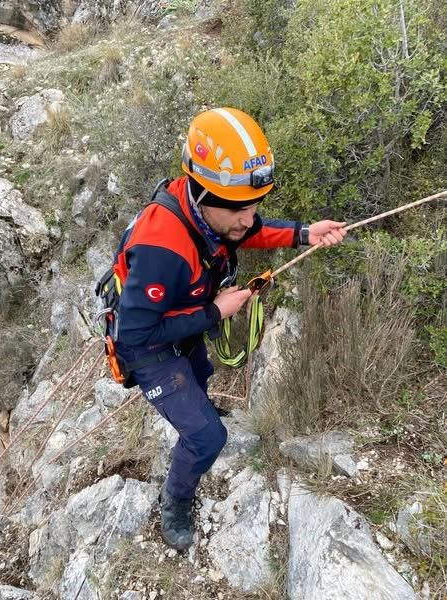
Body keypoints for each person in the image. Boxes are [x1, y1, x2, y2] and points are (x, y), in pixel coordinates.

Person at [112, 107, 347, 550]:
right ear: (202, 194)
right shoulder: (162, 246)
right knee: (207, 438)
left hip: (183, 325)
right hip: (150, 345)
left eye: (255, 204)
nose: (250, 216)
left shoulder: (210, 210)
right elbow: (134, 337)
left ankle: (194, 408)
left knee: (200, 378)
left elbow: (246, 231)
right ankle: (176, 500)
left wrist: (305, 233)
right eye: (240, 208)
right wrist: (215, 312)